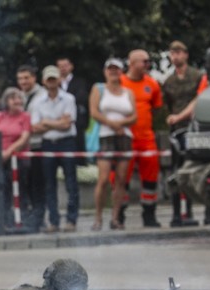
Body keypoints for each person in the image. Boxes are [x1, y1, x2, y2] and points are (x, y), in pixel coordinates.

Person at [90, 58, 137, 231]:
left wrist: (121, 125)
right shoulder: (99, 89)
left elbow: (134, 116)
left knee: (121, 179)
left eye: (116, 69)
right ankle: (98, 217)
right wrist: (113, 124)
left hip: (124, 137)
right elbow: (94, 112)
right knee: (103, 179)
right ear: (105, 71)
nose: (113, 72)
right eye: (110, 69)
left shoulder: (128, 92)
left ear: (121, 71)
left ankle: (115, 218)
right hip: (106, 136)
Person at [162, 40, 207, 228]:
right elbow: (166, 106)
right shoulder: (169, 81)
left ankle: (194, 212)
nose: (176, 56)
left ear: (186, 55)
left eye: (179, 52)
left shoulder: (197, 76)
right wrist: (171, 119)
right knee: (176, 172)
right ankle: (176, 214)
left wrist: (180, 116)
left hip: (194, 128)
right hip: (176, 132)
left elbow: (200, 99)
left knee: (197, 169)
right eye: (173, 53)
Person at [30, 65, 79, 233]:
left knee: (71, 182)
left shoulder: (69, 99)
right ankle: (54, 221)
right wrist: (58, 122)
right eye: (49, 79)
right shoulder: (38, 102)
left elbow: (67, 125)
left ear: (59, 80)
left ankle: (71, 220)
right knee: (49, 184)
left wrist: (47, 122)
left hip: (67, 142)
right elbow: (35, 127)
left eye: (54, 79)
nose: (52, 82)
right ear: (44, 81)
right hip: (48, 143)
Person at [121, 49, 164, 227]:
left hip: (146, 138)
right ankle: (119, 215)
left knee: (150, 177)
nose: (147, 65)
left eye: (148, 61)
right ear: (132, 63)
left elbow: (156, 107)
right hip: (126, 138)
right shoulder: (120, 83)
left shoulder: (152, 84)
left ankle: (149, 215)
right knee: (122, 177)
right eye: (143, 61)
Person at [0, 87, 31, 228]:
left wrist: (9, 151)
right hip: (1, 157)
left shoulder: (25, 116)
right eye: (14, 98)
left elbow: (24, 137)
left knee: (21, 190)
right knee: (4, 189)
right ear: (7, 101)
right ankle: (5, 220)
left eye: (19, 98)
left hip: (19, 158)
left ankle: (23, 218)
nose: (18, 101)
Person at [17, 64, 47, 231]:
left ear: (34, 78)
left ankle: (40, 217)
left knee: (38, 184)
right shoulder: (19, 96)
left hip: (38, 145)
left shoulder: (42, 95)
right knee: (26, 185)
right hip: (23, 147)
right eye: (20, 78)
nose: (23, 81)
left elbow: (44, 123)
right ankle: (31, 218)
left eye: (26, 78)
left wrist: (32, 128)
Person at [57, 57, 90, 154]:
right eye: (60, 66)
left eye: (65, 66)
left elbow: (81, 99)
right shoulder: (54, 84)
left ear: (71, 67)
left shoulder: (80, 82)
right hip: (56, 124)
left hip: (76, 123)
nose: (63, 68)